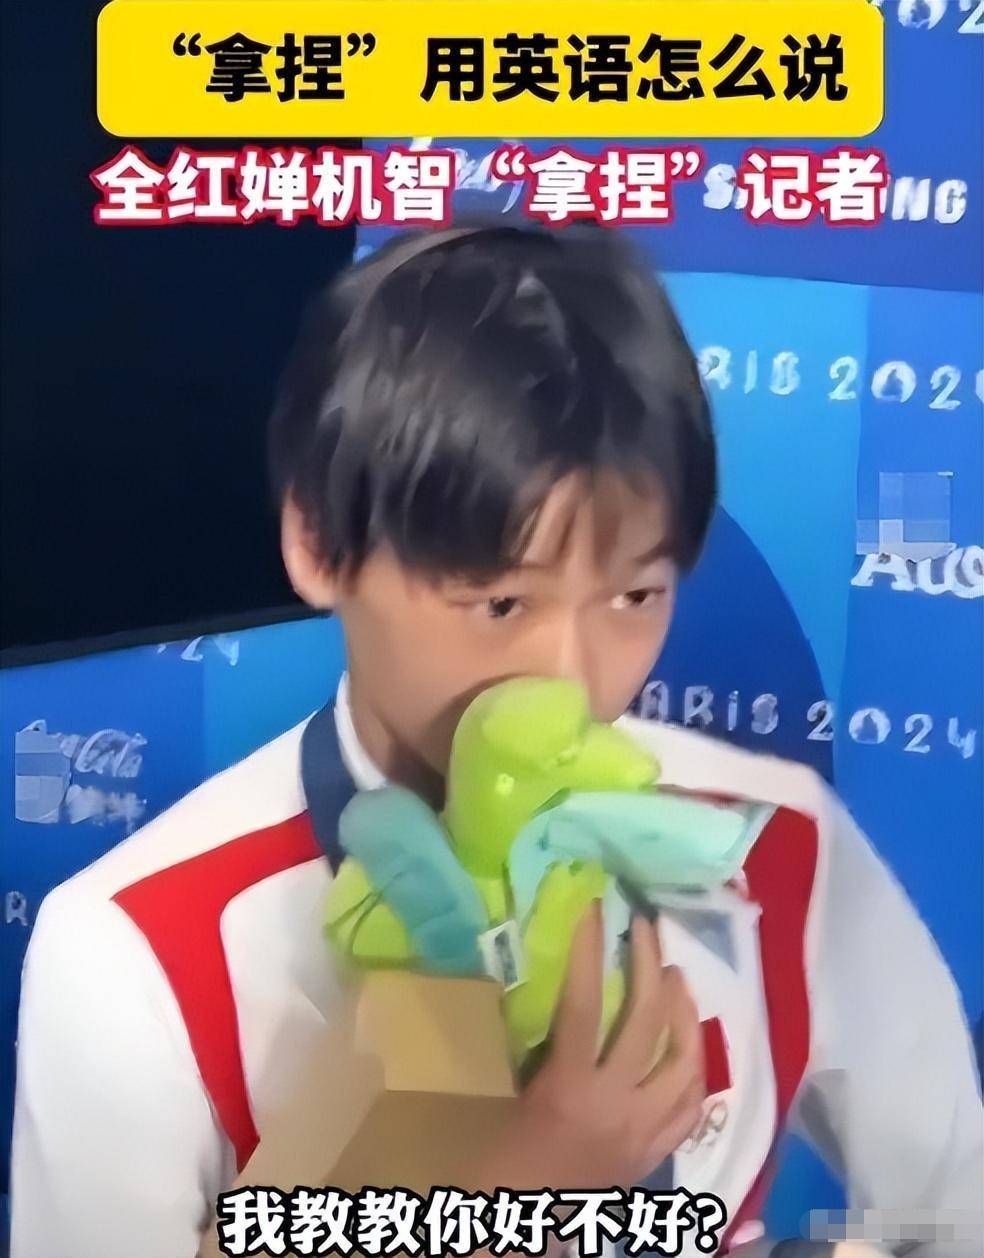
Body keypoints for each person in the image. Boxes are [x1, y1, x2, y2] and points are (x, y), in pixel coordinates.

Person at [10, 223, 982, 1258]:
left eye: (635, 596)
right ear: (319, 544)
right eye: (501, 603)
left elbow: (956, 1209)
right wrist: (521, 1187)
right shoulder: (134, 951)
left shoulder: (778, 843)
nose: (570, 679)